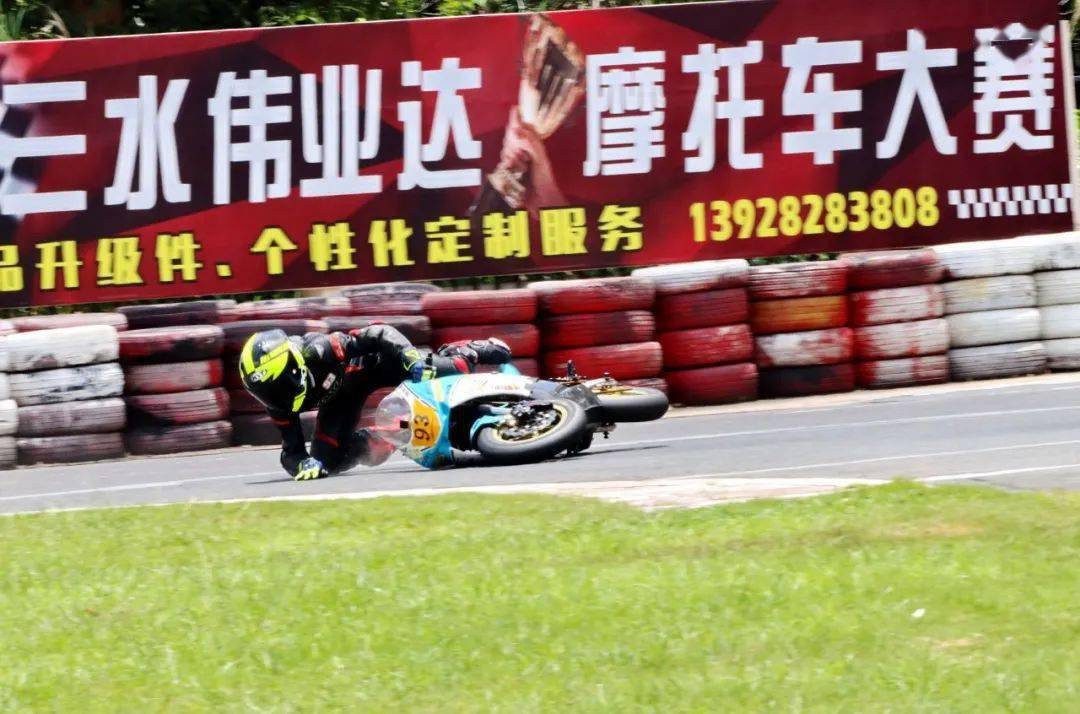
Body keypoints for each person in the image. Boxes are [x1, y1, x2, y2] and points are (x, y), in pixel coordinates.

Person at [238, 324, 511, 481]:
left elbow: (378, 332)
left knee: (447, 369)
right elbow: (292, 452)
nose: (272, 398)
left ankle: (465, 351)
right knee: (328, 461)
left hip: (372, 366)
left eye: (276, 386)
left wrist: (409, 355)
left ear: (293, 367)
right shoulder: (278, 403)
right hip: (341, 398)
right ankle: (392, 432)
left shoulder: (318, 349)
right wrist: (302, 465)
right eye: (263, 393)